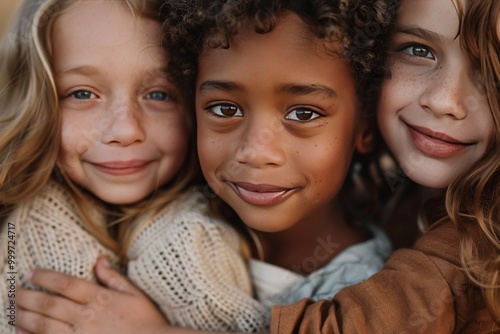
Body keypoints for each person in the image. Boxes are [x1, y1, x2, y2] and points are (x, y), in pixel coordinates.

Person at [14, 0, 399, 333]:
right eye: (225, 109)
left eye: (303, 112)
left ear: (365, 123)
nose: (255, 152)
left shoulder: (365, 296)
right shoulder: (139, 211)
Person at [0, 0, 197, 332]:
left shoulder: (207, 228)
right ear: (36, 105)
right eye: (81, 94)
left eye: (159, 94)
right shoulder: (25, 245)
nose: (126, 130)